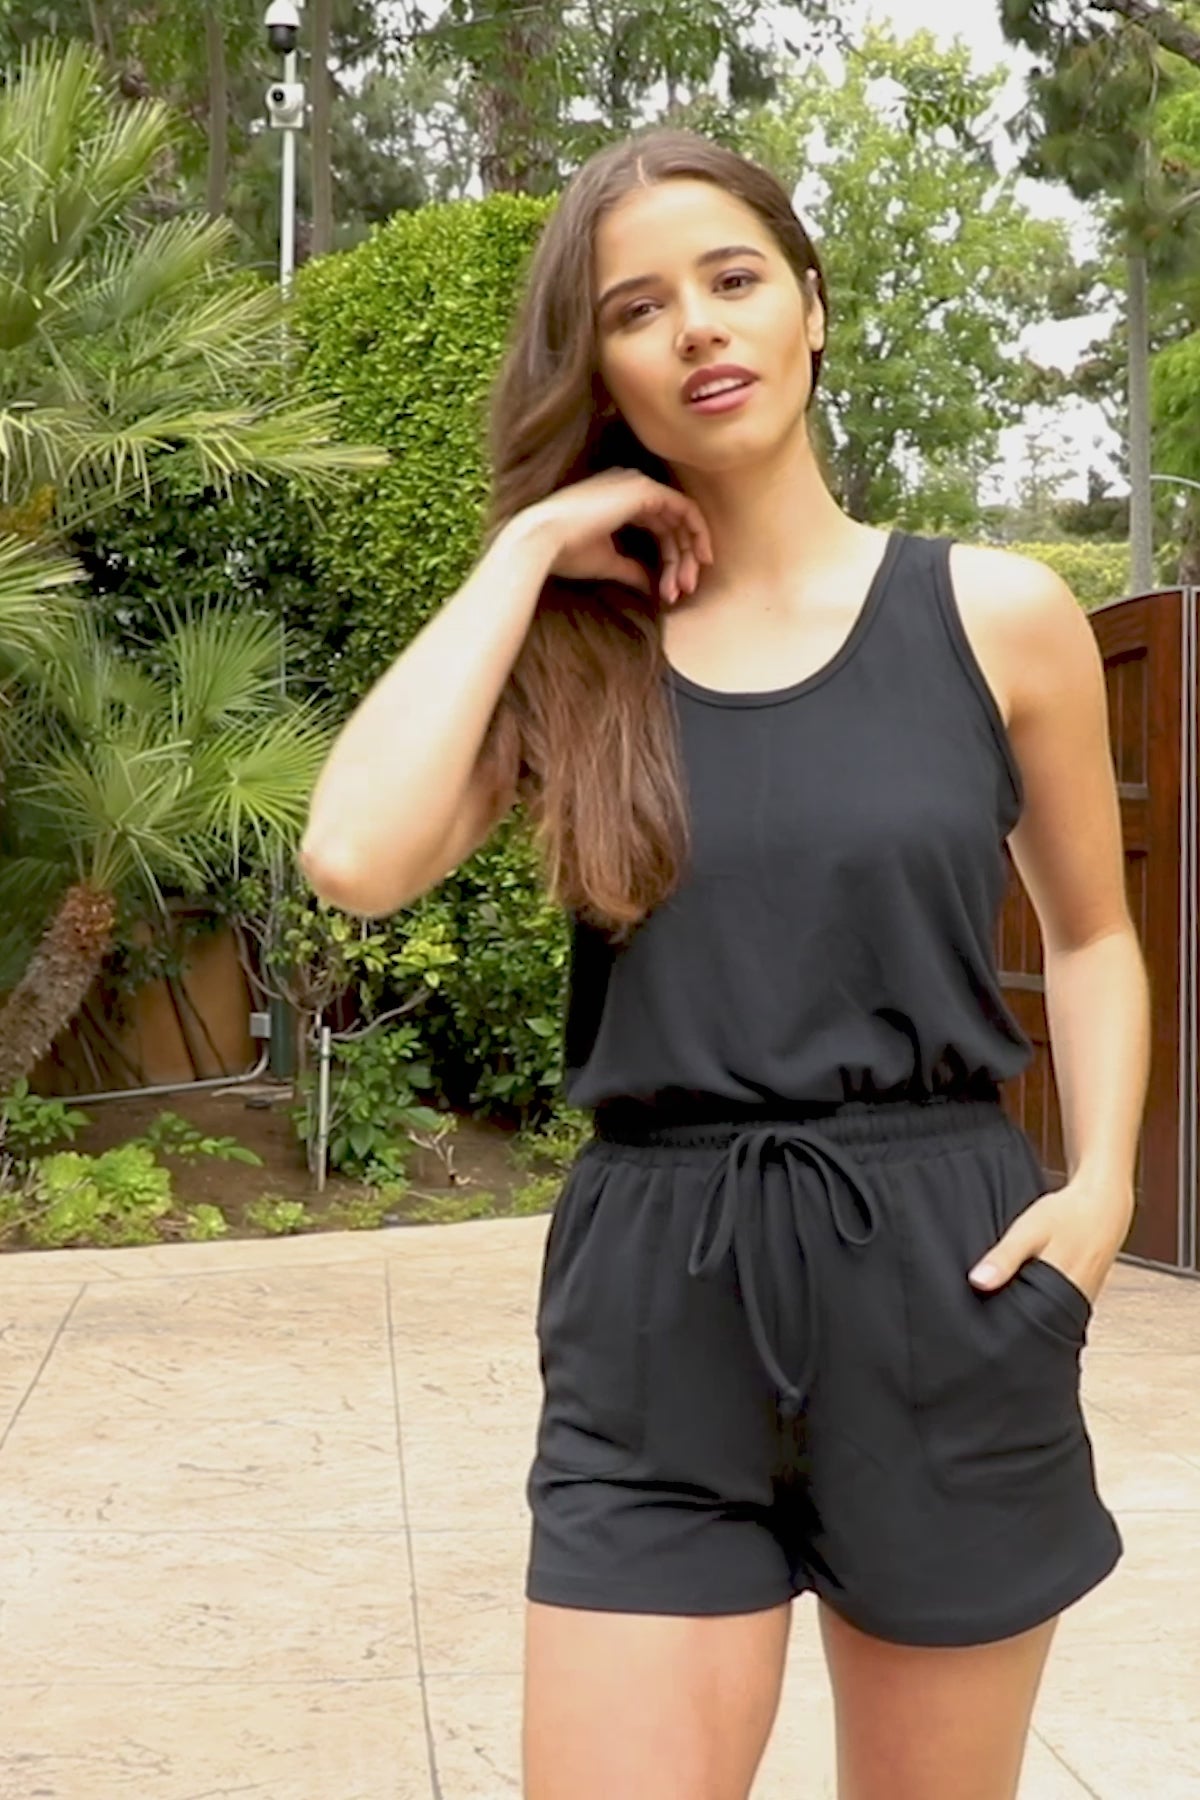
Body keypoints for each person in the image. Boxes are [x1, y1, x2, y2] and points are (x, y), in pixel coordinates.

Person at [300, 128, 1151, 1800]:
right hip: (656, 1291)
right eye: (636, 307)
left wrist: (1105, 1188)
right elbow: (353, 855)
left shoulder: (997, 615)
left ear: (810, 309)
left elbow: (1093, 929)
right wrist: (524, 552)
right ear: (601, 371)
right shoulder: (574, 659)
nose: (695, 324)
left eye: (733, 278)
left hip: (944, 1273)